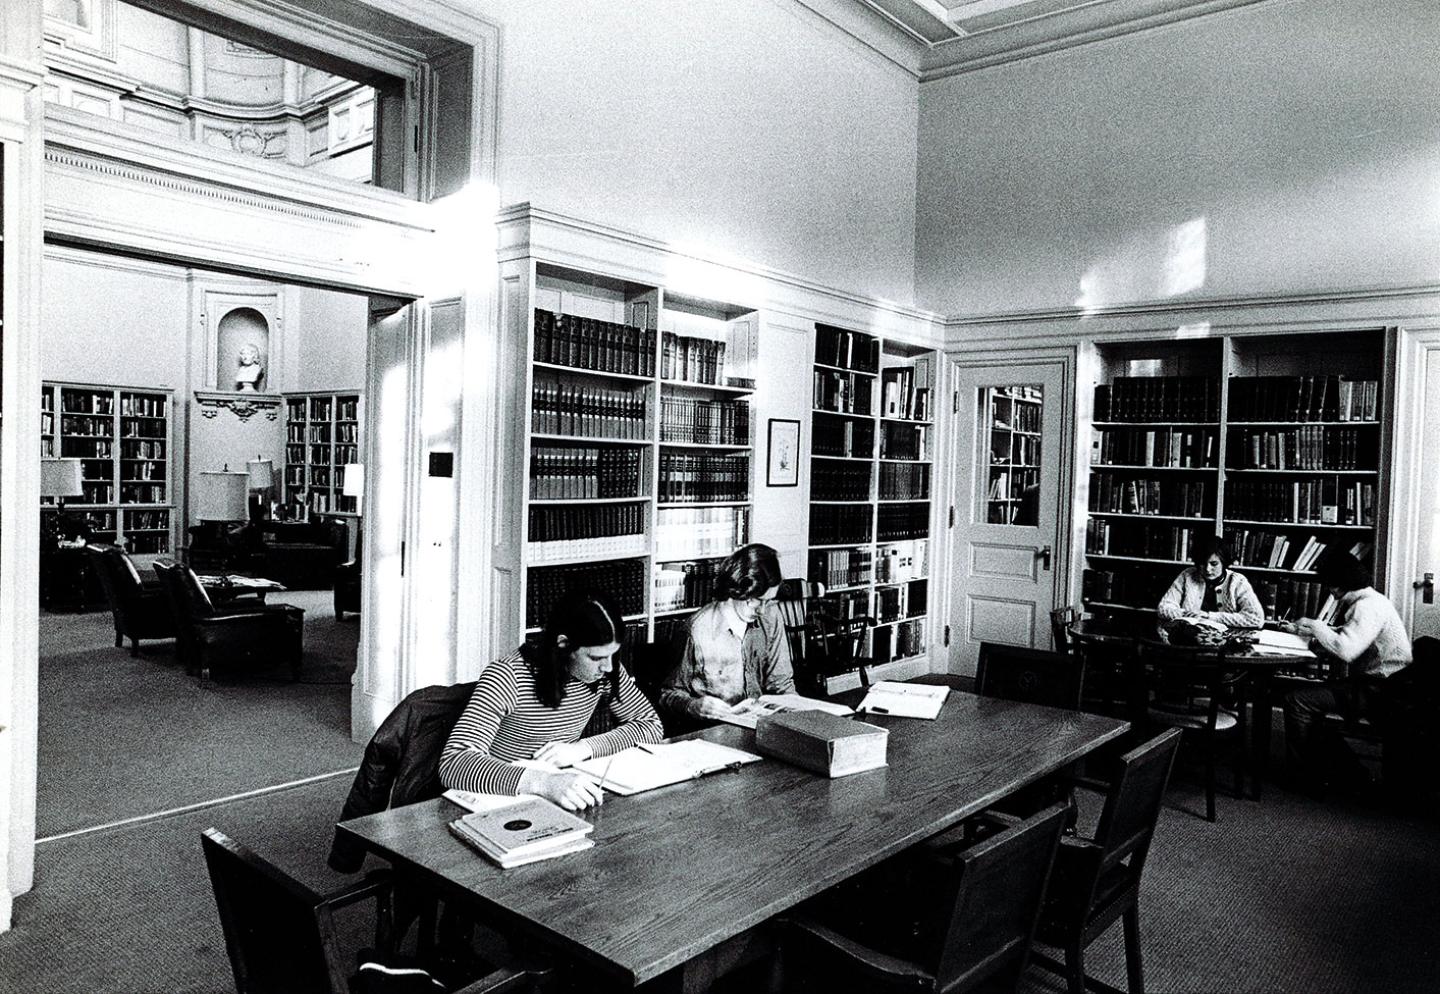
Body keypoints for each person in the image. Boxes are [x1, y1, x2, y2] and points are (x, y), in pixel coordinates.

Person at [438, 590, 663, 811]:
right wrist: (542, 783)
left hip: (555, 799)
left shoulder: (605, 672)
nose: (609, 667)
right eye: (596, 657)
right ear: (563, 644)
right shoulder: (508, 675)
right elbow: (455, 763)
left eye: (613, 655)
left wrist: (584, 748)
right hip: (498, 801)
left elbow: (651, 725)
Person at [1279, 549, 1411, 789]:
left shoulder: (1366, 607)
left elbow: (1347, 650)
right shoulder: (1372, 600)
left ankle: (1303, 775)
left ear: (1335, 586)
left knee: (1296, 701)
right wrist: (1313, 634)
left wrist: (1316, 626)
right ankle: (1335, 768)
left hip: (1380, 691)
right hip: (1385, 685)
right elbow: (1354, 637)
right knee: (1312, 700)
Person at [657, 542, 795, 723]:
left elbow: (782, 685)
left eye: (768, 601)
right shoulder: (696, 630)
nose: (762, 610)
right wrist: (694, 705)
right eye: (756, 600)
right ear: (736, 589)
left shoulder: (771, 616)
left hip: (761, 726)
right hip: (715, 730)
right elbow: (667, 695)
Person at [1156, 536, 1264, 629]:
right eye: (1203, 563)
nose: (1208, 569)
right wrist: (1185, 614)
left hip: (1226, 641)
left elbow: (1256, 619)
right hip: (1191, 638)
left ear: (1223, 562)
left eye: (1214, 564)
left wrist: (1209, 616)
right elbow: (1164, 607)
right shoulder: (1187, 575)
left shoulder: (1237, 581)